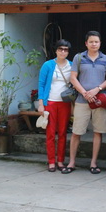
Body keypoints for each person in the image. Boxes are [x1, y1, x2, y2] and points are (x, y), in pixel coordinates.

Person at [62, 31, 106, 174]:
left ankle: (93, 163)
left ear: (100, 43)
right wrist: (85, 93)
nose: (94, 44)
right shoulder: (79, 57)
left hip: (99, 100)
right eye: (91, 42)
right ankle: (72, 162)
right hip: (81, 100)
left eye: (96, 42)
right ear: (86, 43)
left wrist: (97, 90)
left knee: (98, 131)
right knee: (76, 132)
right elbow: (73, 78)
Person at [37, 39, 73, 172]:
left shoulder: (72, 65)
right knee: (50, 133)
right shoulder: (48, 65)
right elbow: (41, 84)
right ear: (56, 50)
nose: (63, 52)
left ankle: (61, 161)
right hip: (50, 102)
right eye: (60, 49)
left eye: (66, 50)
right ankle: (51, 161)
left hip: (65, 103)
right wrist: (41, 103)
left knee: (63, 132)